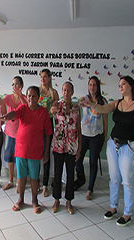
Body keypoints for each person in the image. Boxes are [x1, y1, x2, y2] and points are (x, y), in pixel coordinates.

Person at [79, 75, 134, 226]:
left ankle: (127, 213)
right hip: (113, 145)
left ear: (131, 86)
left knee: (128, 181)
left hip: (129, 147)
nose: (121, 87)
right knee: (114, 178)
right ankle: (113, 207)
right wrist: (91, 104)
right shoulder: (117, 103)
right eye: (119, 85)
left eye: (124, 84)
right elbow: (102, 109)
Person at [0, 86, 53, 214]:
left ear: (39, 98)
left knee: (34, 178)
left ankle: (34, 201)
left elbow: (48, 133)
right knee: (21, 177)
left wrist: (46, 152)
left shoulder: (43, 112)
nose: (31, 98)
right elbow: (14, 114)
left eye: (34, 96)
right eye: (29, 96)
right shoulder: (23, 108)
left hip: (35, 151)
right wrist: (5, 117)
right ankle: (21, 199)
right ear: (26, 97)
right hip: (21, 149)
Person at [0, 76, 27, 192]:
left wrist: (20, 96)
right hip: (9, 132)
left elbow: (26, 108)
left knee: (19, 158)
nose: (15, 86)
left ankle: (19, 181)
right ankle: (10, 181)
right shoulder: (8, 97)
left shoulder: (24, 98)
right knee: (10, 158)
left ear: (22, 85)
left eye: (17, 84)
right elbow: (2, 101)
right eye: (13, 84)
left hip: (20, 133)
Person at [74, 76, 108, 200]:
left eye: (94, 85)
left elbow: (105, 121)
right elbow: (80, 103)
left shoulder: (102, 101)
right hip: (84, 135)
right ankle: (81, 179)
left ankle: (90, 189)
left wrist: (104, 138)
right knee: (78, 160)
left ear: (98, 86)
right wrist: (84, 102)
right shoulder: (85, 98)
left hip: (96, 136)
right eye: (90, 85)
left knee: (93, 162)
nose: (92, 87)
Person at [50, 82, 81, 214]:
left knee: (70, 174)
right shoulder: (57, 106)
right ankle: (56, 200)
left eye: (68, 90)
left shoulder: (76, 109)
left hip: (72, 146)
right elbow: (52, 110)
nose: (66, 92)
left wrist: (79, 149)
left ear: (72, 92)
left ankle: (69, 201)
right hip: (58, 145)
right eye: (64, 90)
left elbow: (79, 129)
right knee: (57, 174)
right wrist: (52, 108)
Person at [38, 68, 59, 197]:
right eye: (41, 76)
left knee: (46, 155)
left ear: (50, 78)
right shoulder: (37, 91)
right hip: (37, 125)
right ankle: (37, 181)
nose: (43, 79)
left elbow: (57, 109)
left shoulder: (53, 93)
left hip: (49, 126)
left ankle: (45, 184)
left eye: (45, 76)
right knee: (36, 155)